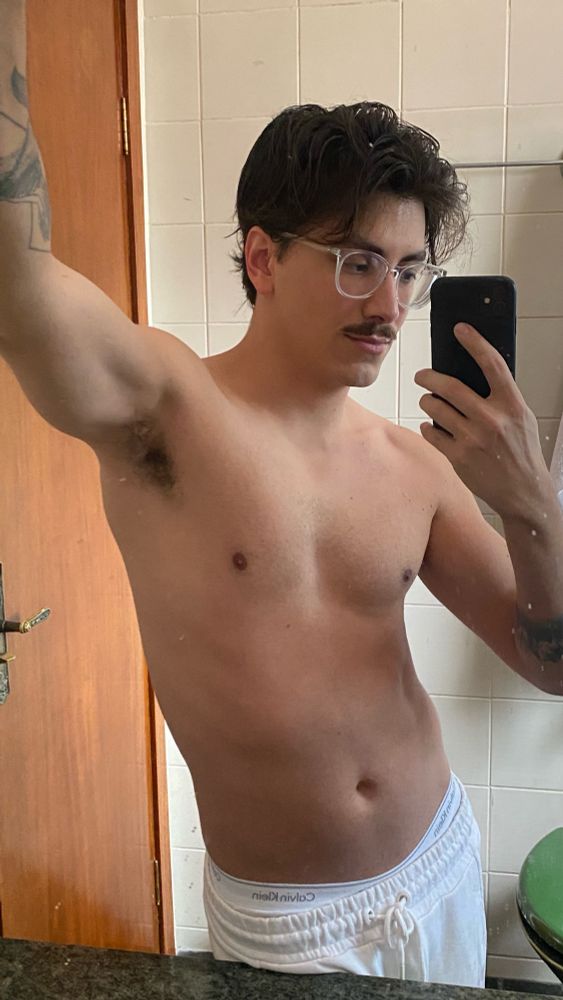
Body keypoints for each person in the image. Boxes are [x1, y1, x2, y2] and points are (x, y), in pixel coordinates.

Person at [1, 3, 562, 986]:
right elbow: (15, 273)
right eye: (356, 263)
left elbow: (547, 664)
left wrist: (531, 508)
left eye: (408, 271)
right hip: (293, 923)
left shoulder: (414, 465)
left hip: (436, 860)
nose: (389, 305)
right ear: (263, 258)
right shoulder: (165, 415)